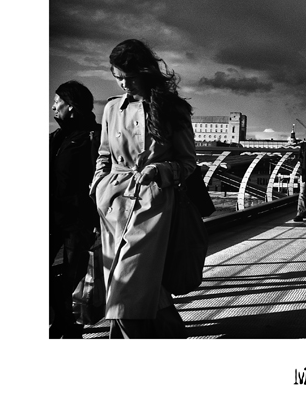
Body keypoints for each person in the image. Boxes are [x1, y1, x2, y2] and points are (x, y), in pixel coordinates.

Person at [91, 39, 197, 338]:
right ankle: (170, 334)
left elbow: (187, 162)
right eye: (117, 77)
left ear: (145, 72)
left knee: (126, 282)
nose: (123, 83)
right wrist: (98, 185)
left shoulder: (174, 109)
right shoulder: (112, 108)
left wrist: (159, 170)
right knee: (136, 284)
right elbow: (103, 154)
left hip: (152, 207)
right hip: (112, 205)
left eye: (129, 77)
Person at [49, 80, 100, 338]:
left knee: (75, 275)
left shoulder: (93, 137)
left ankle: (69, 326)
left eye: (57, 101)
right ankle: (61, 319)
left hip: (79, 220)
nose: (52, 106)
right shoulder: (58, 138)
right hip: (52, 218)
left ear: (71, 106)